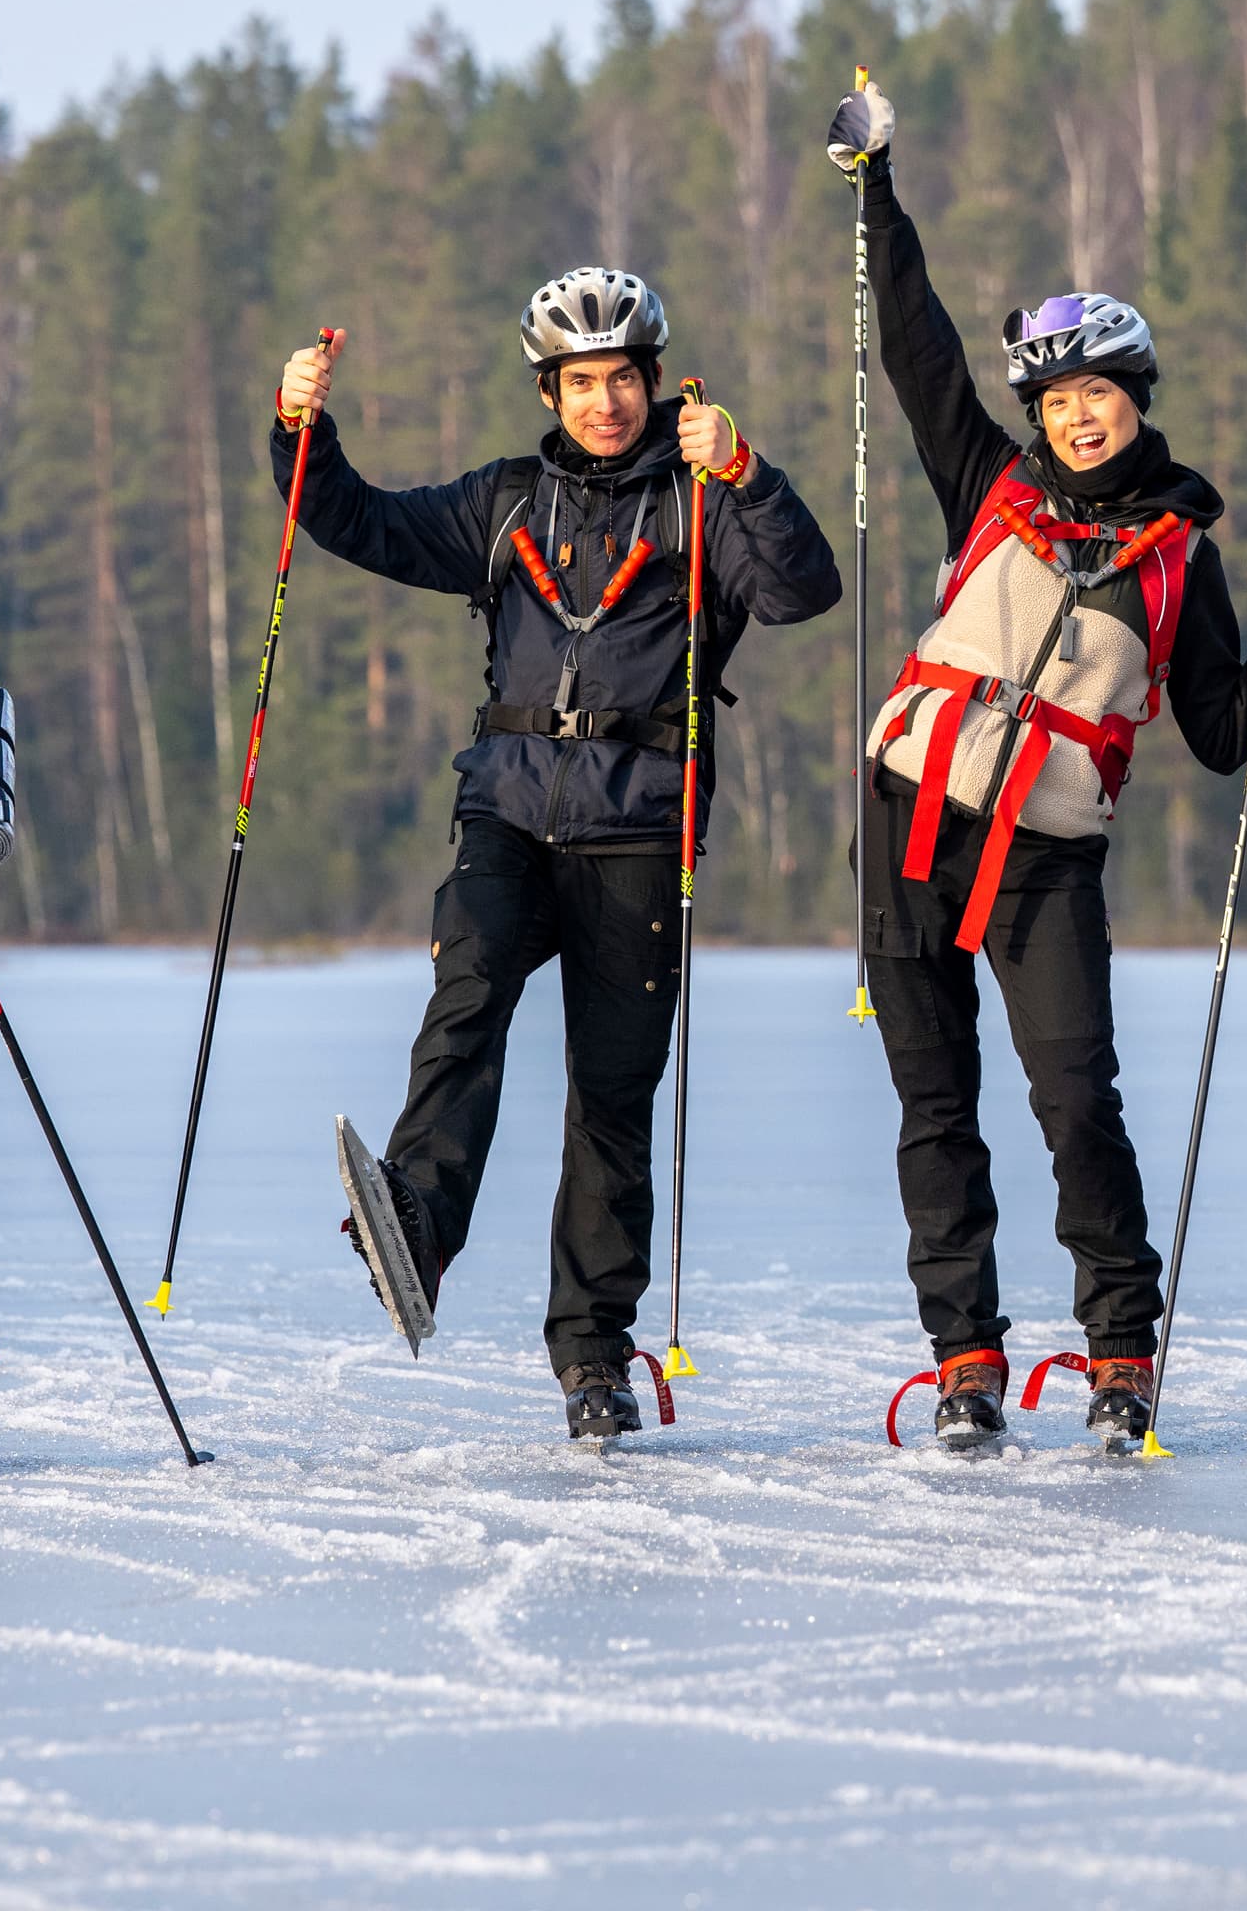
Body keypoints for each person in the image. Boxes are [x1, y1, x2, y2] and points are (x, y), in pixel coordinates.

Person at [826, 77, 1247, 1452]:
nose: (1077, 418)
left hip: (1047, 857)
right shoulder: (989, 483)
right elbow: (915, 345)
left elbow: (1224, 734)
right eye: (1056, 400)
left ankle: (1119, 1355)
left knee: (1075, 1105)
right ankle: (967, 1359)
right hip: (909, 819)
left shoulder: (1181, 561)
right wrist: (877, 191)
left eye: (1098, 393)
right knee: (935, 1107)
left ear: (1134, 399)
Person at [270, 270, 840, 1441]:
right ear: (549, 390)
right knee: (467, 993)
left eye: (622, 378)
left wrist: (749, 475)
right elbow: (358, 521)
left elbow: (802, 590)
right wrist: (299, 430)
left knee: (611, 1100)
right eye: (581, 382)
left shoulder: (700, 501)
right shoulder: (503, 502)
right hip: (509, 812)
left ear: (654, 380)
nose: (604, 402)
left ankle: (593, 1352)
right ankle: (417, 1227)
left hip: (643, 828)